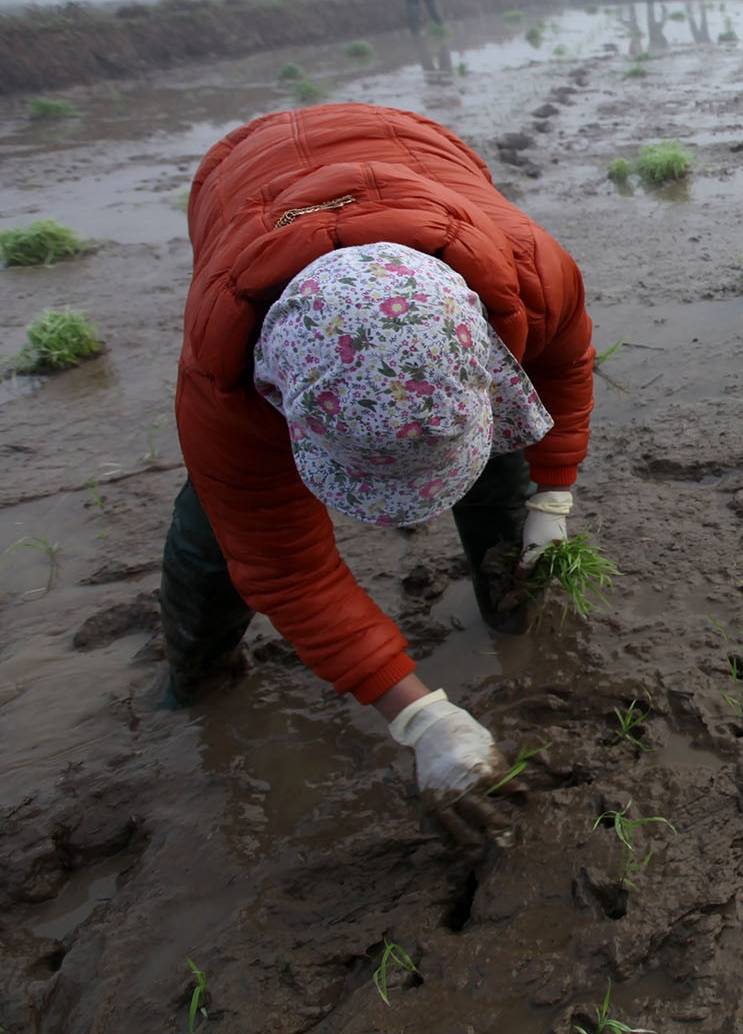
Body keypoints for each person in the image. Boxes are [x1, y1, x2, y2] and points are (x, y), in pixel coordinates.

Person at [162, 104, 596, 847]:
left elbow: (564, 367)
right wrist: (417, 715)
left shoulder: (527, 269)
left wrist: (552, 492)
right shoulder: (224, 381)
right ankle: (199, 670)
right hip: (244, 180)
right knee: (221, 527)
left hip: (418, 154)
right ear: (283, 400)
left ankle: (512, 604)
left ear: (488, 356)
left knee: (505, 471)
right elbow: (286, 568)